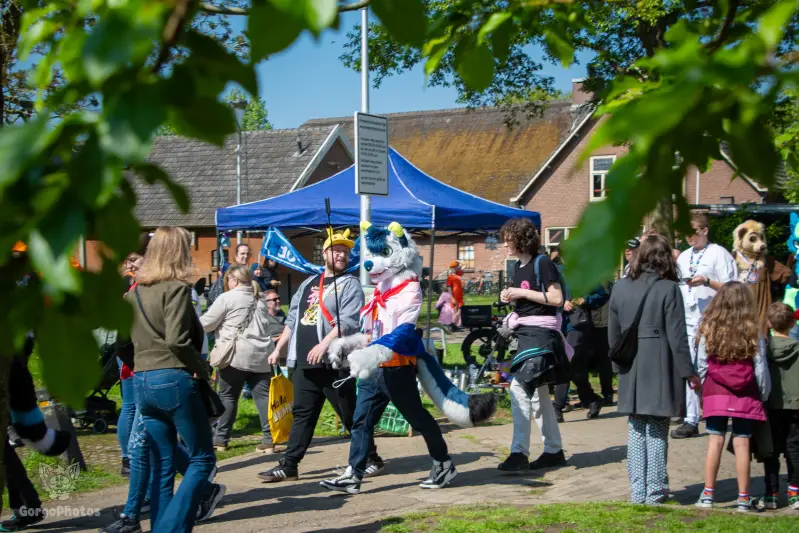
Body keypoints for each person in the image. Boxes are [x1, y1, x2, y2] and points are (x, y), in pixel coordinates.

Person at [258, 229, 384, 482]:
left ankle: (372, 457)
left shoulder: (351, 285)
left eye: (346, 252)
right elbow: (293, 318)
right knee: (303, 413)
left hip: (333, 363)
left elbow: (348, 322)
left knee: (349, 414)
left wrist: (325, 344)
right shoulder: (307, 283)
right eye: (337, 250)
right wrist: (280, 348)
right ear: (325, 253)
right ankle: (290, 464)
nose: (341, 255)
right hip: (305, 361)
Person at [121, 227, 216, 531]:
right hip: (173, 378)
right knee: (202, 460)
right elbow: (177, 340)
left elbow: (121, 342)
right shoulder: (175, 288)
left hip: (142, 382)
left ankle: (161, 525)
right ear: (178, 251)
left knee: (163, 464)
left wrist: (142, 365)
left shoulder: (135, 292)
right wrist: (201, 369)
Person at [609, 233, 700, 505]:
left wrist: (617, 366)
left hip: (630, 365)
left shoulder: (620, 287)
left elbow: (613, 335)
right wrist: (689, 372)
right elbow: (677, 336)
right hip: (660, 364)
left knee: (635, 429)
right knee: (657, 429)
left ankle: (638, 493)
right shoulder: (669, 289)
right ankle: (656, 491)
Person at [496, 218, 570, 473]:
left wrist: (522, 293)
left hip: (542, 337)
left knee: (518, 387)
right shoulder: (518, 266)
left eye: (509, 239)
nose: (505, 243)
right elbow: (526, 298)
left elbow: (557, 298)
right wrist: (510, 294)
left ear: (522, 239)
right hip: (526, 334)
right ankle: (553, 450)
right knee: (539, 396)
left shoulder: (543, 262)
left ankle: (519, 453)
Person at [694, 282, 770, 512]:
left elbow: (701, 365)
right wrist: (763, 394)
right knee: (742, 441)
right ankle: (743, 498)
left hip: (716, 390)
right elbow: (760, 367)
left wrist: (700, 393)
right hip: (745, 392)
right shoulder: (752, 330)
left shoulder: (709, 327)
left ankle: (707, 495)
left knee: (714, 439)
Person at [672, 212, 737, 439]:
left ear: (705, 231)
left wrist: (707, 281)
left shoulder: (719, 254)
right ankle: (691, 419)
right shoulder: (683, 257)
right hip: (687, 321)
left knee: (707, 368)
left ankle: (714, 411)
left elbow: (732, 288)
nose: (689, 238)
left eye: (694, 233)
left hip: (712, 321)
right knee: (690, 369)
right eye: (686, 234)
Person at [201, 265, 276, 454]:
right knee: (263, 398)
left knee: (227, 396)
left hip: (235, 356)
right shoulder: (260, 298)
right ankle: (269, 440)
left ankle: (220, 440)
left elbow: (206, 323)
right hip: (261, 356)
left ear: (233, 280)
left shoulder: (227, 298)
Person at [761, 302, 799, 511]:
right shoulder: (798, 348)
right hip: (795, 405)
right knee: (795, 449)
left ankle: (771, 493)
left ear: (768, 323)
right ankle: (795, 491)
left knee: (771, 451)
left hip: (771, 404)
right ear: (793, 323)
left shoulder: (764, 349)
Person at [561, 284, 612, 420]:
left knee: (568, 362)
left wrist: (585, 299)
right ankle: (591, 398)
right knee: (569, 366)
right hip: (556, 323)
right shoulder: (550, 270)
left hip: (576, 324)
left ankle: (557, 407)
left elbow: (602, 295)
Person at [446, 261, 464, 332]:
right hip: (455, 296)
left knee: (459, 311)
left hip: (460, 296)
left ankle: (454, 325)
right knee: (456, 311)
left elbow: (464, 266)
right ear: (452, 268)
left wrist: (458, 261)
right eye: (455, 266)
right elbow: (449, 287)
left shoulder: (458, 274)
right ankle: (452, 325)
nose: (457, 267)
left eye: (457, 266)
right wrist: (452, 297)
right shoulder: (450, 277)